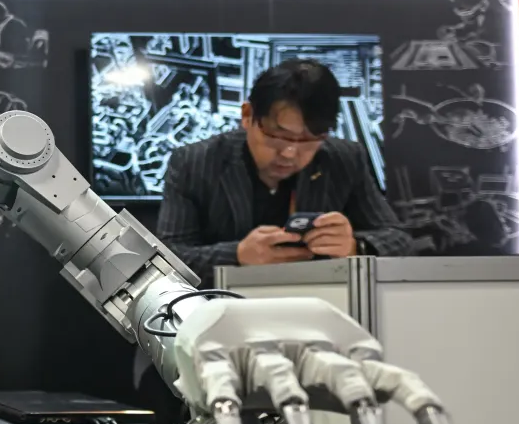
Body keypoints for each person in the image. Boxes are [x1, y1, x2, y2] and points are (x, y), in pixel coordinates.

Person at [156, 59, 412, 283]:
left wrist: (357, 246)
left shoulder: (344, 159)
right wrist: (237, 256)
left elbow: (399, 240)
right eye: (278, 137)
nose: (290, 153)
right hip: (222, 311)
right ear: (247, 116)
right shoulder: (194, 162)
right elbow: (167, 258)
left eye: (308, 140)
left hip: (321, 307)